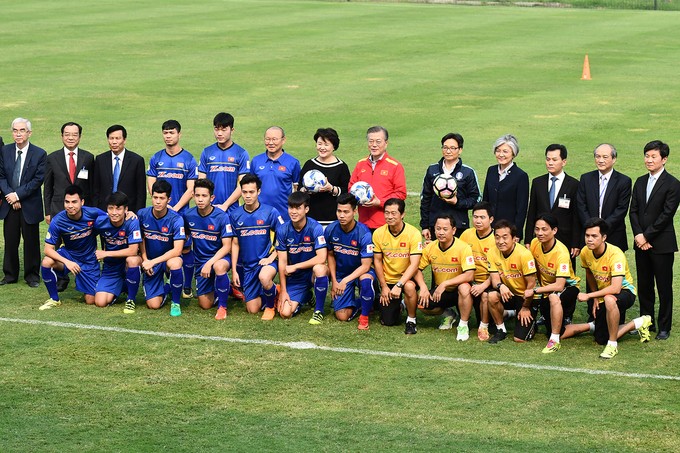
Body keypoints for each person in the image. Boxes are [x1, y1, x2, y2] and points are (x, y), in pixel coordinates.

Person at [578, 218, 651, 359]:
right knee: (600, 339)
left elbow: (616, 288)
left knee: (609, 299)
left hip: (624, 292)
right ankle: (639, 322)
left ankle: (612, 345)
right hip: (605, 294)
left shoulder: (616, 254)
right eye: (587, 236)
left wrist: (589, 296)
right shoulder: (585, 252)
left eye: (594, 236)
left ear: (604, 237)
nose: (589, 240)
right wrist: (595, 298)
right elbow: (589, 273)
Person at [629, 140, 680, 340]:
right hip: (641, 243)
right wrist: (639, 235)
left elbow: (666, 215)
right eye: (647, 156)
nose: (649, 160)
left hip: (662, 244)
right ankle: (646, 323)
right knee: (645, 286)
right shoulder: (640, 181)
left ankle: (664, 327)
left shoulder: (673, 184)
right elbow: (633, 211)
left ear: (664, 159)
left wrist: (646, 236)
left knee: (664, 287)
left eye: (653, 157)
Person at [146, 120, 198, 300]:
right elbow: (151, 185)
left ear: (179, 134)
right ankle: (166, 280)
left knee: (185, 248)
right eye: (165, 133)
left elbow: (191, 189)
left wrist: (174, 208)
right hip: (161, 213)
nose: (168, 136)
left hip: (180, 214)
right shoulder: (156, 158)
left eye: (172, 133)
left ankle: (187, 287)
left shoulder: (189, 159)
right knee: (162, 246)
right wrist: (164, 207)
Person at [39, 185, 105, 309]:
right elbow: (47, 249)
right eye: (67, 202)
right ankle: (54, 298)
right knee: (47, 262)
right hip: (68, 255)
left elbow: (114, 219)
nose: (70, 206)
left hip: (89, 259)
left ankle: (86, 285)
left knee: (91, 300)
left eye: (74, 202)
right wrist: (67, 262)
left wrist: (128, 214)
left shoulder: (93, 213)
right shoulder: (58, 220)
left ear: (82, 202)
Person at [230, 174, 285, 319]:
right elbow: (235, 244)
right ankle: (274, 290)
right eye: (245, 192)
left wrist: (272, 257)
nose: (248, 196)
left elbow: (283, 237)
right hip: (248, 266)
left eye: (251, 192)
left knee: (264, 276)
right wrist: (235, 270)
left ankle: (270, 307)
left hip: (267, 261)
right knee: (252, 310)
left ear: (258, 192)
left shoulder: (270, 212)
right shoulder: (235, 215)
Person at [0, 118, 47, 287]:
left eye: (22, 130)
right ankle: (10, 275)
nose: (18, 134)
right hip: (9, 204)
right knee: (11, 241)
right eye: (15, 130)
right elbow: (1, 176)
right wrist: (10, 196)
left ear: (29, 133)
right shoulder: (4, 151)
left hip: (29, 205)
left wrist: (17, 196)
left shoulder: (40, 153)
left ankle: (32, 276)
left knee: (31, 242)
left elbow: (37, 180)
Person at [529, 214, 584, 353]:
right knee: (555, 328)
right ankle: (591, 326)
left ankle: (554, 341)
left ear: (554, 230)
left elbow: (560, 285)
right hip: (546, 289)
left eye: (544, 229)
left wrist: (535, 291)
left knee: (554, 297)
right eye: (537, 229)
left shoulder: (561, 252)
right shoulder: (535, 243)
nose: (540, 233)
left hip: (568, 288)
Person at [415, 214, 475, 340]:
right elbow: (417, 269)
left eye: (445, 229)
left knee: (464, 288)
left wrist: (445, 283)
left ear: (453, 230)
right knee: (421, 304)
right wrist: (423, 287)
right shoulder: (430, 247)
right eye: (438, 229)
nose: (441, 232)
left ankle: (463, 325)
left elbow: (469, 275)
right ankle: (448, 314)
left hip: (459, 290)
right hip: (441, 292)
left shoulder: (463, 248)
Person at [184, 179, 234, 320]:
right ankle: (227, 288)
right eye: (197, 195)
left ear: (212, 198)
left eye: (204, 196)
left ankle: (222, 307)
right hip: (200, 262)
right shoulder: (188, 215)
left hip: (220, 258)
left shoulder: (222, 217)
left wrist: (210, 262)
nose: (200, 199)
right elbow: (185, 238)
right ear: (193, 196)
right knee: (205, 305)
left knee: (218, 266)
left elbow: (227, 247)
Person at [324, 193, 375, 329]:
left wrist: (345, 281)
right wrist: (335, 281)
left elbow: (366, 266)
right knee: (342, 316)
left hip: (360, 272)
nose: (341, 215)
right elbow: (330, 255)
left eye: (346, 212)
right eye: (339, 211)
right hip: (341, 274)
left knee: (365, 279)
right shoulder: (330, 229)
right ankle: (363, 302)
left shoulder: (364, 234)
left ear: (355, 211)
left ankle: (364, 317)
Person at [275, 191, 328, 321]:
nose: (293, 212)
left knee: (320, 269)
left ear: (306, 209)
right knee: (285, 313)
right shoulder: (283, 230)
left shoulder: (315, 227)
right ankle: (307, 296)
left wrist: (295, 266)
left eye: (298, 208)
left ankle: (319, 311)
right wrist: (283, 290)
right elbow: (282, 262)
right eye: (291, 207)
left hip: (311, 273)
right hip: (295, 278)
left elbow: (322, 258)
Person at [372, 198, 423, 334]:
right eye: (387, 213)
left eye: (394, 213)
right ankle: (400, 305)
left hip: (406, 279)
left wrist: (399, 285)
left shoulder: (413, 233)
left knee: (410, 287)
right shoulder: (378, 233)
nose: (389, 217)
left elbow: (415, 264)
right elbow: (377, 261)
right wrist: (383, 286)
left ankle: (411, 320)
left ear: (402, 214)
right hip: (387, 281)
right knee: (388, 321)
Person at [137, 180, 186, 316]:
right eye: (155, 197)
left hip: (167, 260)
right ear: (151, 196)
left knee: (175, 263)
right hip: (150, 260)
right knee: (153, 305)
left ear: (168, 199)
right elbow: (141, 239)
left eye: (162, 198)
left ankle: (175, 302)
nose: (158, 202)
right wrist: (146, 259)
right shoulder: (142, 215)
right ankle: (168, 287)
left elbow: (177, 250)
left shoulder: (176, 219)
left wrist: (153, 262)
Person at [525, 144, 581, 260]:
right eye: (548, 159)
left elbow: (576, 216)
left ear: (564, 161)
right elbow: (531, 212)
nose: (550, 163)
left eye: (554, 160)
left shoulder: (574, 184)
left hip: (564, 238)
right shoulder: (538, 183)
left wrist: (576, 242)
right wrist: (528, 239)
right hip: (540, 239)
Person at [420, 133, 480, 240]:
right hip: (437, 226)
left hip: (459, 225)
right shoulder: (432, 170)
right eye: (445, 147)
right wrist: (425, 226)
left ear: (460, 150)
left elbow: (475, 200)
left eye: (453, 148)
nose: (448, 151)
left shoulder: (468, 172)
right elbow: (425, 199)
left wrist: (457, 202)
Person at [486, 220, 537, 344]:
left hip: (525, 297)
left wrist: (525, 307)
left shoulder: (524, 255)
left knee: (519, 339)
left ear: (514, 238)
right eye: (497, 237)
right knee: (492, 295)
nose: (500, 241)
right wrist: (500, 286)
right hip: (508, 294)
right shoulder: (492, 252)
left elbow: (531, 284)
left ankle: (531, 321)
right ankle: (501, 329)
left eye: (505, 237)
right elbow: (494, 279)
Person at [349, 126, 407, 230]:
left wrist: (380, 202)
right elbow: (351, 187)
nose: (374, 145)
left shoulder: (395, 166)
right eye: (371, 141)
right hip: (363, 225)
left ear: (386, 143)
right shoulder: (360, 164)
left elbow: (401, 194)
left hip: (386, 225)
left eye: (378, 141)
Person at [93, 192, 143, 312]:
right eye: (111, 208)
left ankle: (131, 299)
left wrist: (106, 253)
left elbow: (133, 250)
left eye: (118, 208)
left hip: (127, 263)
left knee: (132, 259)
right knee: (100, 302)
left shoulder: (132, 221)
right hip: (111, 267)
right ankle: (124, 285)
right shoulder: (100, 222)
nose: (114, 212)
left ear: (126, 209)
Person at [576, 143, 631, 252]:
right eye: (597, 156)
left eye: (605, 157)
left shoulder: (624, 181)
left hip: (614, 234)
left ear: (614, 159)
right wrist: (592, 229)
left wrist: (602, 229)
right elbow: (581, 205)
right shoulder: (586, 178)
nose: (600, 160)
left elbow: (621, 209)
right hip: (590, 236)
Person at [198, 112, 250, 213]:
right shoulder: (206, 152)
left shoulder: (241, 153)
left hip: (232, 210)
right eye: (216, 129)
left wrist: (225, 205)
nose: (219, 133)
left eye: (224, 129)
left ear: (232, 130)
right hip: (209, 210)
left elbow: (243, 184)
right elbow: (201, 183)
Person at [299, 128, 351, 227]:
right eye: (319, 144)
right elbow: (299, 189)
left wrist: (331, 189)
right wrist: (305, 190)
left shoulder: (341, 167)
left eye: (326, 144)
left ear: (334, 146)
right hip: (310, 220)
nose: (322, 147)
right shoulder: (309, 164)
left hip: (333, 221)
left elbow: (347, 192)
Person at [459, 201, 496, 341]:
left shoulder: (496, 239)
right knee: (463, 287)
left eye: (482, 217)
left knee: (487, 297)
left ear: (491, 219)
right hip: (470, 281)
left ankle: (484, 325)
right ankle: (463, 325)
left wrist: (483, 286)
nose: (478, 221)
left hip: (488, 283)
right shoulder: (466, 234)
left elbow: (499, 270)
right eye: (475, 217)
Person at [44, 122, 95, 222]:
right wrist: (48, 212)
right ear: (62, 136)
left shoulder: (88, 157)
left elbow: (92, 186)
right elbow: (48, 187)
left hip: (83, 210)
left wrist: (92, 209)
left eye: (74, 135)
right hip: (59, 209)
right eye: (67, 134)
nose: (70, 138)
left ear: (80, 137)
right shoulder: (52, 158)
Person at [482, 134, 529, 241]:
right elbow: (486, 200)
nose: (501, 154)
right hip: (489, 228)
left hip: (508, 230)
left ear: (513, 153)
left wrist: (517, 233)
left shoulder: (521, 176)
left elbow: (522, 208)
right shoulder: (491, 171)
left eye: (505, 151)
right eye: (498, 151)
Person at [92, 124, 146, 214]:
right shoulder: (100, 160)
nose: (114, 142)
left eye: (117, 138)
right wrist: (96, 211)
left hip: (128, 212)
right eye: (111, 138)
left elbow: (141, 193)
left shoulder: (136, 161)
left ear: (124, 140)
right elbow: (95, 190)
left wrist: (137, 214)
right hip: (104, 212)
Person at [250, 126, 300, 222]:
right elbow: (250, 187)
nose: (271, 143)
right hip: (259, 215)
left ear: (283, 140)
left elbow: (297, 189)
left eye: (274, 139)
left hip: (284, 216)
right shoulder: (256, 161)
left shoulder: (293, 162)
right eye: (267, 139)